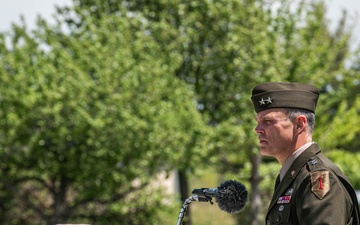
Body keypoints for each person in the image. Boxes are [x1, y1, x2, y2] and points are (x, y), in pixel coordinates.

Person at [250, 82, 360, 225]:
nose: (257, 129)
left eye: (268, 121)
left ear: (299, 124)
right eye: (258, 121)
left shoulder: (317, 178)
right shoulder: (294, 175)